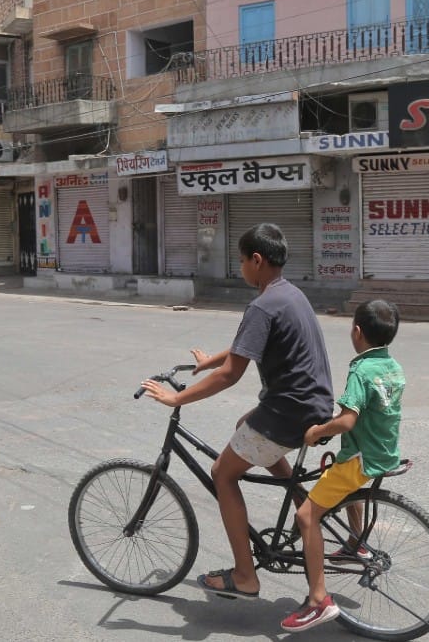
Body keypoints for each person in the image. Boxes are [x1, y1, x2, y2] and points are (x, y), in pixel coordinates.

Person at [140, 222, 334, 603]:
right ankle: (299, 499)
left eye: (242, 260)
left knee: (222, 474)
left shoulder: (262, 305)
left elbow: (233, 374)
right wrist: (207, 362)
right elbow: (242, 350)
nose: (241, 267)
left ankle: (245, 576)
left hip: (287, 411)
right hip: (314, 404)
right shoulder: (290, 294)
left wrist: (176, 399)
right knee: (246, 424)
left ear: (257, 260)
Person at [281, 299, 405, 633]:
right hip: (382, 453)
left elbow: (348, 421)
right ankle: (355, 543)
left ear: (357, 332)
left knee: (306, 516)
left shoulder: (361, 370)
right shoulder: (392, 367)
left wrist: (317, 432)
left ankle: (318, 600)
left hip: (358, 457)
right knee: (340, 482)